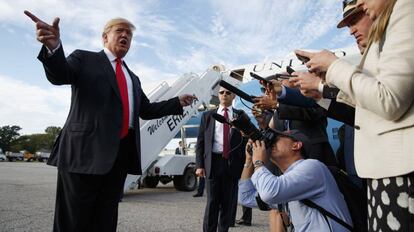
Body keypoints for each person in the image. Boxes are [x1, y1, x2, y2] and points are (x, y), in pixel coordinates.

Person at [24, 11, 197, 232]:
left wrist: (176, 102)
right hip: (83, 154)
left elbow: (146, 110)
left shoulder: (132, 77)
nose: (125, 36)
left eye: (129, 34)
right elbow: (60, 75)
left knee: (105, 220)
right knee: (73, 220)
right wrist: (53, 48)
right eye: (120, 31)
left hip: (118, 157)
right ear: (105, 37)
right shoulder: (84, 59)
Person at [295, 0, 414, 230]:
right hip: (382, 169)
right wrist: (321, 89)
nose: (351, 30)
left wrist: (333, 67)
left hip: (399, 170)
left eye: (355, 18)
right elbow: (364, 105)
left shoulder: (404, 12)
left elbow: (387, 99)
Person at [239, 130, 352, 231]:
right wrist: (248, 160)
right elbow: (245, 197)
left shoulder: (312, 167)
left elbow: (269, 193)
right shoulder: (287, 182)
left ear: (296, 145)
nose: (270, 144)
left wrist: (258, 162)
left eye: (276, 140)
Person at [195, 87, 246, 232]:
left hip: (232, 163)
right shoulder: (208, 115)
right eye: (222, 92)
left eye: (228, 92)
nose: (224, 95)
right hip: (213, 162)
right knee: (212, 202)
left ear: (233, 95)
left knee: (227, 204)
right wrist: (199, 165)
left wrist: (244, 166)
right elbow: (201, 142)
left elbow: (245, 140)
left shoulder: (240, 115)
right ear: (218, 95)